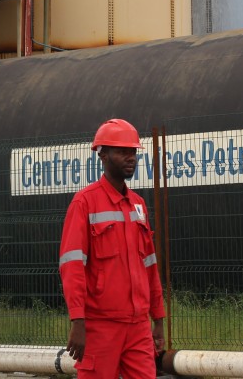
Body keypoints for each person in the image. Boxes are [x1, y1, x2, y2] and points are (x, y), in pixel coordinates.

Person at [59, 118, 166, 379]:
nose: (130, 158)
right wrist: (78, 321)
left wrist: (158, 320)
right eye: (122, 152)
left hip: (138, 327)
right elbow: (72, 266)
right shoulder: (84, 203)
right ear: (103, 155)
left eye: (133, 152)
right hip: (99, 327)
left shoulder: (138, 205)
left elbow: (150, 265)